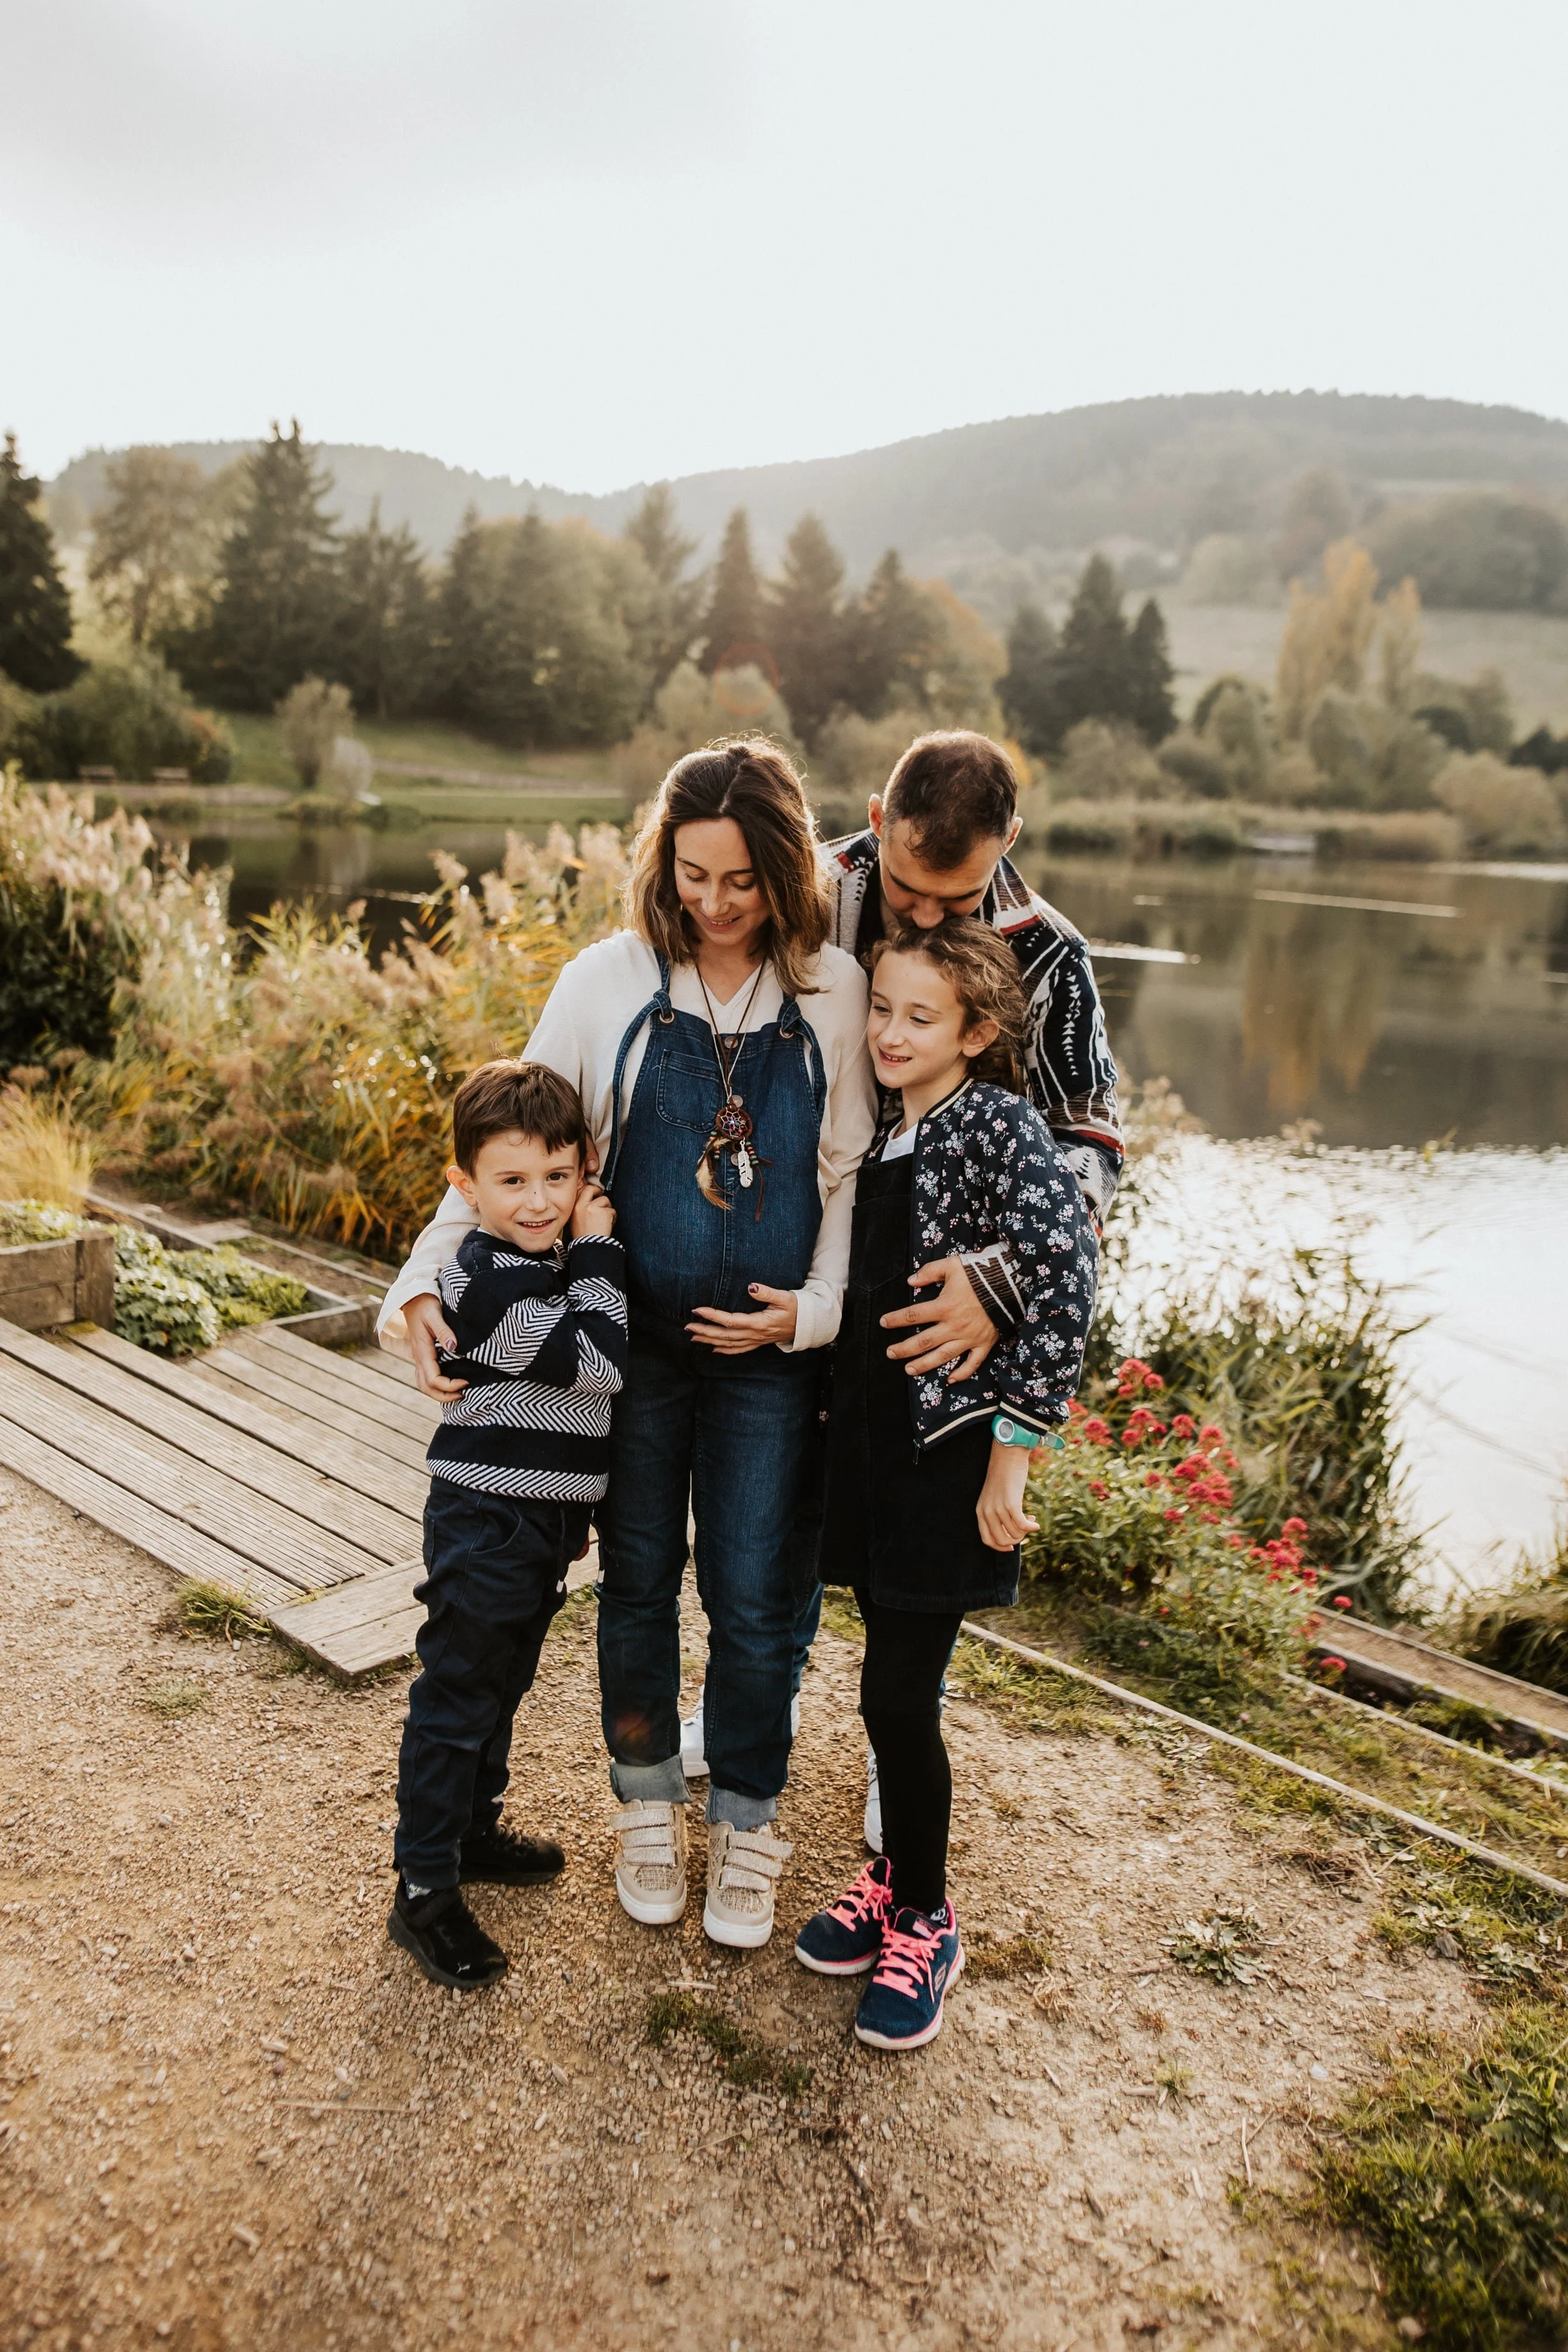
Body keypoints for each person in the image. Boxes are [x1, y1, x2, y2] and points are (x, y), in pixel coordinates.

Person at [379, 740, 876, 1952]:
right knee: (638, 1588)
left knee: (758, 1604)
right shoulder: (609, 980)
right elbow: (511, 1140)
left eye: (745, 880)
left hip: (772, 1361)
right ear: (665, 864)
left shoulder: (835, 989)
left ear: (788, 872)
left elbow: (848, 1175)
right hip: (632, 1355)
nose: (715, 903)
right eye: (694, 875)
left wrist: (811, 1313)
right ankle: (647, 1808)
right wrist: (415, 1292)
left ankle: (749, 1829)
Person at [681, 729, 1121, 1840]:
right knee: (782, 1505)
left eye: (955, 898)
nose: (924, 921)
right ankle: (751, 1705)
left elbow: (1090, 1148)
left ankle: (900, 1738)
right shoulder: (807, 894)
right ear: (877, 824)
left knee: (913, 1537)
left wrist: (1003, 1280)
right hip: (797, 1248)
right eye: (912, 895)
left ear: (1008, 843)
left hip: (938, 1298)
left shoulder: (1053, 958)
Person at [793, 920, 1095, 2049]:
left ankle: (926, 1914)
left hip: (951, 1463)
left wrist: (1013, 1455)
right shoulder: (891, 1136)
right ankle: (892, 1879)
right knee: (884, 1679)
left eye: (921, 1018)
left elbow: (1063, 1276)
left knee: (894, 1699)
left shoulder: (998, 1128)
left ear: (978, 1031)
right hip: (878, 1458)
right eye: (882, 1010)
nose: (889, 1032)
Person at [388, 1060, 628, 1992]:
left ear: (585, 1167)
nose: (539, 1202)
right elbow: (599, 1361)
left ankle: (474, 1831)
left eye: (559, 1179)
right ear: (466, 1185)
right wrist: (602, 1250)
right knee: (458, 1691)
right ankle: (424, 1885)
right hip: (485, 1514)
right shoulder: (482, 1279)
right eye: (513, 1181)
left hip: (544, 1520)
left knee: (505, 1680)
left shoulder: (549, 1267)